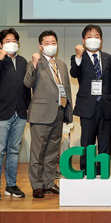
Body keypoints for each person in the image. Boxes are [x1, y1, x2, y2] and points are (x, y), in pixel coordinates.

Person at [24, 30, 73, 198]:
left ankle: (49, 182)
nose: (51, 46)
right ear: (40, 46)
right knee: (38, 152)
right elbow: (27, 83)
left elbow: (66, 89)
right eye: (47, 43)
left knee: (52, 152)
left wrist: (68, 112)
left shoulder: (61, 64)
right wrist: (34, 64)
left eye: (53, 43)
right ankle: (37, 185)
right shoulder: (35, 63)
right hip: (41, 114)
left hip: (58, 113)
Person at [0, 28, 31, 200]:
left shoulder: (23, 61)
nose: (12, 43)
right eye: (7, 41)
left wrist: (27, 106)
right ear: (1, 44)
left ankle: (11, 185)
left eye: (14, 41)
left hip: (20, 113)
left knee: (13, 151)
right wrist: (0, 58)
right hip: (1, 113)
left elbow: (26, 86)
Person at [70, 24, 111, 174]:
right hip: (87, 107)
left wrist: (109, 98)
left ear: (101, 40)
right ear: (83, 41)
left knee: (105, 144)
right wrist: (78, 56)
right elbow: (74, 73)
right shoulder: (78, 58)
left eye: (96, 37)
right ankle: (86, 173)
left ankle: (103, 173)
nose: (93, 39)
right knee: (87, 143)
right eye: (89, 37)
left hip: (105, 107)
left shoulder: (109, 58)